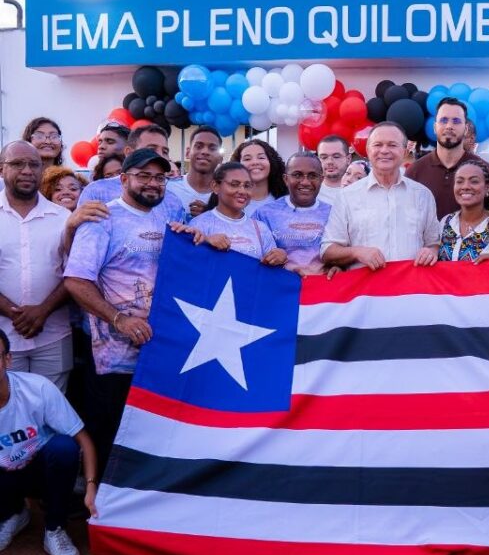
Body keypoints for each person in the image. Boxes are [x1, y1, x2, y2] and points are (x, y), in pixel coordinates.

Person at [64, 148, 184, 474]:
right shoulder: (102, 219)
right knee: (111, 442)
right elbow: (76, 281)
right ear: (123, 179)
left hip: (160, 356)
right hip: (114, 361)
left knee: (151, 443)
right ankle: (103, 512)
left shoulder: (168, 219)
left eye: (159, 177)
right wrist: (120, 319)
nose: (152, 183)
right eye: (143, 175)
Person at [0, 330, 98, 555]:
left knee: (63, 448)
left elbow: (83, 440)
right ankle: (12, 514)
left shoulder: (37, 388)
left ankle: (55, 528)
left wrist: (91, 486)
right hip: (3, 477)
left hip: (39, 472)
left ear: (7, 360)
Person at [0, 141, 72, 392]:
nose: (27, 170)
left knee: (53, 410)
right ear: (1, 169)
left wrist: (43, 310)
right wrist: (13, 313)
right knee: (8, 414)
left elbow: (74, 274)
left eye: (34, 164)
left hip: (53, 335)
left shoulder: (63, 218)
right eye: (17, 163)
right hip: (3, 338)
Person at [321, 122, 439, 271]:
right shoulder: (346, 197)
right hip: (366, 291)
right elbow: (327, 251)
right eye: (377, 145)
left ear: (404, 151)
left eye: (392, 145)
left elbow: (433, 243)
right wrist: (357, 252)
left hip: (410, 291)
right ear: (368, 150)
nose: (384, 151)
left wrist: (431, 251)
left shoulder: (423, 195)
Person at [405, 97, 489, 218]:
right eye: (443, 120)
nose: (449, 126)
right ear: (435, 127)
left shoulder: (485, 171)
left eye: (456, 121)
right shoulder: (414, 172)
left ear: (466, 129)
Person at [181, 162, 285, 264]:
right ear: (215, 186)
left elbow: (271, 273)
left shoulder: (260, 229)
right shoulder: (199, 225)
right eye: (234, 184)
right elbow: (188, 265)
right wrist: (206, 242)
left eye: (247, 185)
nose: (242, 191)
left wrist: (280, 258)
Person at [256, 153, 333, 275]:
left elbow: (342, 252)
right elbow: (250, 253)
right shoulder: (265, 214)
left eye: (313, 176)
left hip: (322, 289)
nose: (305, 182)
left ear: (321, 179)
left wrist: (340, 267)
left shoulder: (333, 214)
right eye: (297, 175)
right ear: (286, 179)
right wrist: (273, 256)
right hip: (280, 289)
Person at [438, 161, 489, 262]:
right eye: (459, 181)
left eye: (474, 181)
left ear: (487, 188)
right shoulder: (446, 222)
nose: (465, 186)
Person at [168, 125, 223, 217]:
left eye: (212, 148)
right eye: (198, 146)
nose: (205, 151)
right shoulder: (168, 187)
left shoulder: (227, 194)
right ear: (188, 153)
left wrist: (210, 215)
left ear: (220, 158)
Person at [230, 138, 287, 217]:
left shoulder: (287, 200)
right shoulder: (228, 203)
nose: (255, 162)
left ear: (271, 162)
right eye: (247, 159)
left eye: (261, 157)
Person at [316, 135, 350, 205]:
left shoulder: (359, 190)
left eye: (336, 156)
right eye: (324, 157)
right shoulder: (311, 192)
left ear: (348, 159)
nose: (330, 162)